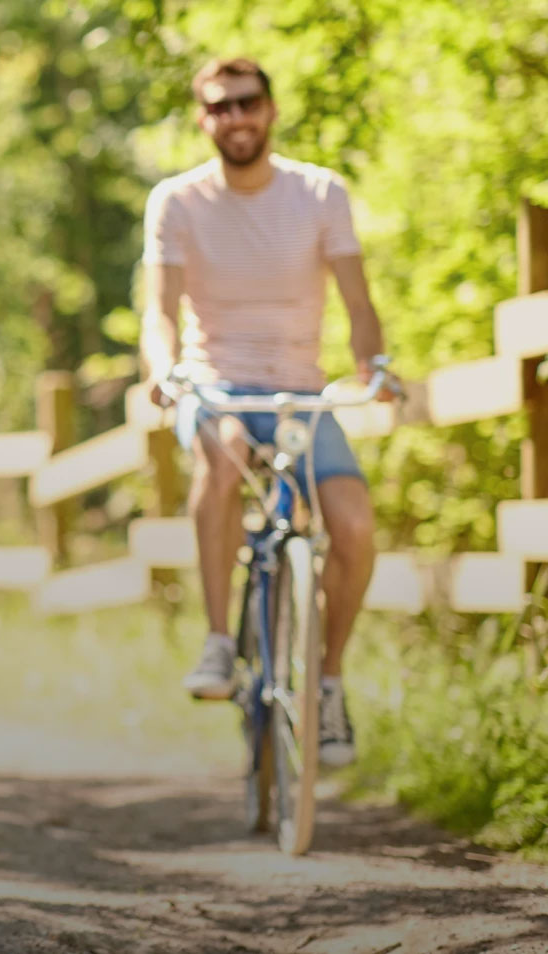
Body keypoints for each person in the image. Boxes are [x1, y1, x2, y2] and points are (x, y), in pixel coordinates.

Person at [139, 58, 387, 768]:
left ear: (272, 110)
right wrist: (165, 372)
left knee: (354, 524)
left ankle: (329, 682)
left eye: (248, 103)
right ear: (202, 119)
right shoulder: (177, 201)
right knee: (221, 455)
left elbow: (359, 305)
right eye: (220, 107)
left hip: (302, 393)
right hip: (217, 385)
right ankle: (220, 641)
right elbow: (160, 312)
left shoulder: (319, 193)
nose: (236, 118)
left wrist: (374, 365)